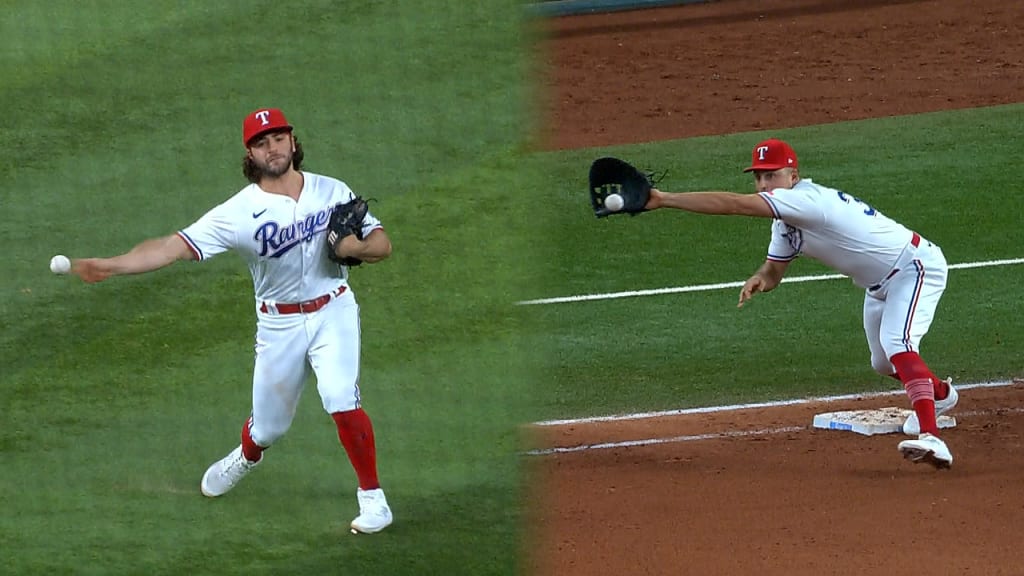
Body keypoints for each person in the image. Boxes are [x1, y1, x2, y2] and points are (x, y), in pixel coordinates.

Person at [69, 108, 396, 532]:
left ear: (293, 143)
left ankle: (374, 500)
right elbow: (173, 247)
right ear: (250, 156)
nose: (272, 147)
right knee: (269, 427)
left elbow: (382, 244)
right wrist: (111, 265)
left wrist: (355, 247)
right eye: (261, 143)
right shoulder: (239, 212)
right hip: (279, 325)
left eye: (278, 138)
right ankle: (247, 454)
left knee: (340, 396)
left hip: (333, 309)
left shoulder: (333, 191)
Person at [643, 138, 958, 469]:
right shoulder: (785, 224)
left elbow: (736, 204)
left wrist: (665, 199)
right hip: (878, 284)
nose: (764, 184)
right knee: (883, 363)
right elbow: (774, 271)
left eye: (772, 175)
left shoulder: (806, 200)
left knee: (898, 344)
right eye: (759, 177)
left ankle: (931, 438)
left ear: (793, 175)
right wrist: (761, 278)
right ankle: (939, 396)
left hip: (914, 267)